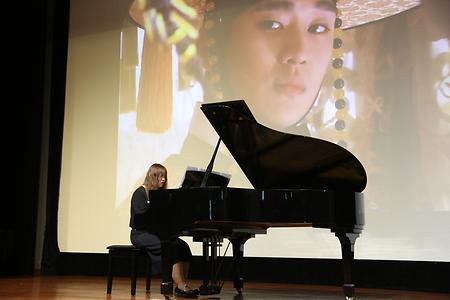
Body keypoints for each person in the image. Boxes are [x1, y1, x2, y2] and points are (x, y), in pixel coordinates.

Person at [129, 163, 199, 298]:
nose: (163, 179)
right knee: (171, 246)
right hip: (141, 234)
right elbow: (141, 219)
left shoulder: (160, 194)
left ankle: (182, 284)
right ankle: (180, 285)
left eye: (164, 176)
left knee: (182, 246)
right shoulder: (140, 193)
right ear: (152, 176)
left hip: (156, 233)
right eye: (160, 176)